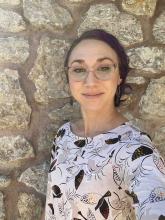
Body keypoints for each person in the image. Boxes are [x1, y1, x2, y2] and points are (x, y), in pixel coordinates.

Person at [44, 29, 165, 220]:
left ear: (120, 77)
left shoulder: (137, 151)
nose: (90, 82)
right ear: (68, 78)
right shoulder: (63, 135)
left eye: (104, 68)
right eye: (79, 69)